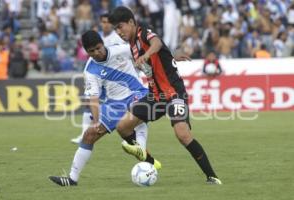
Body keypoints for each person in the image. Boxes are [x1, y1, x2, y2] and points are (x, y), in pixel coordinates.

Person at [109, 6, 222, 184]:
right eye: (115, 28)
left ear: (131, 22)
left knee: (182, 134)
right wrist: (171, 56)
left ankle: (212, 176)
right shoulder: (132, 45)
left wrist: (146, 55)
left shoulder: (143, 33)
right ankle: (149, 162)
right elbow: (161, 53)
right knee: (123, 127)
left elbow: (157, 44)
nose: (118, 32)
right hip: (155, 96)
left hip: (173, 93)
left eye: (120, 26)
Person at [49, 30, 161, 186]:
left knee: (134, 117)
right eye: (91, 51)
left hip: (137, 94)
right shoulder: (90, 70)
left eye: (98, 48)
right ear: (86, 52)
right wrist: (95, 121)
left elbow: (147, 56)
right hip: (114, 104)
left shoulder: (122, 49)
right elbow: (93, 98)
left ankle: (144, 155)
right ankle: (72, 179)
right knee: (89, 135)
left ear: (102, 43)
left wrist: (171, 59)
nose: (96, 53)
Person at [70, 13, 125, 144]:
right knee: (90, 102)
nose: (105, 24)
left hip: (114, 79)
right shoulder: (97, 37)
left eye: (107, 22)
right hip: (100, 76)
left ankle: (128, 134)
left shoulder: (117, 38)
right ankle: (84, 134)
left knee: (119, 106)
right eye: (103, 22)